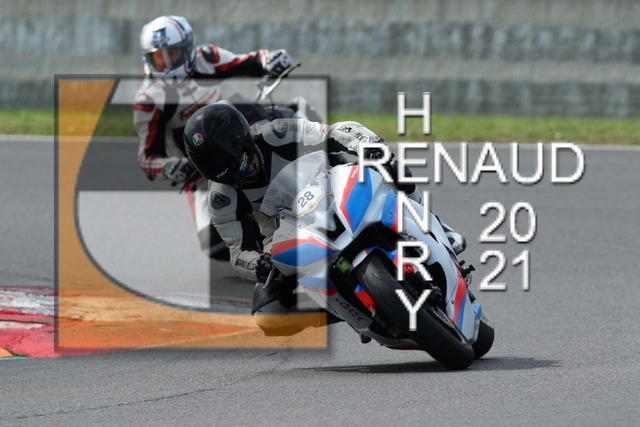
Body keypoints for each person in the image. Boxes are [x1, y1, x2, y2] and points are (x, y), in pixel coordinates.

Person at [182, 101, 466, 334]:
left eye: (244, 164)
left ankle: (438, 226)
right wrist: (258, 264)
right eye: (231, 174)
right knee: (269, 316)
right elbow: (238, 252)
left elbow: (334, 132)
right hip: (286, 234)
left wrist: (367, 143)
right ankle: (356, 309)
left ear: (246, 140)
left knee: (390, 166)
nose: (244, 175)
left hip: (336, 187)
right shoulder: (222, 198)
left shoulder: (277, 133)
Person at [132, 15, 295, 260]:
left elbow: (248, 61)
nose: (167, 63)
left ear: (188, 48)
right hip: (200, 168)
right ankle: (261, 255)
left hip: (238, 137)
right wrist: (170, 166)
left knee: (283, 118)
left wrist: (270, 59)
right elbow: (147, 158)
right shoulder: (147, 100)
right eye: (159, 57)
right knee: (213, 243)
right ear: (148, 58)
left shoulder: (207, 58)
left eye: (173, 54)